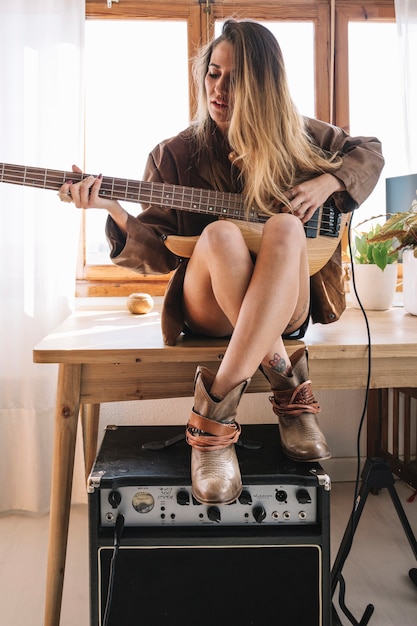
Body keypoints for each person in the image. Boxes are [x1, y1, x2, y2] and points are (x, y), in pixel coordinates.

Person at [59, 19, 384, 506]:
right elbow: (155, 258)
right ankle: (289, 393)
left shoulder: (304, 138)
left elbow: (370, 153)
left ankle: (211, 419)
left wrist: (329, 183)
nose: (219, 89)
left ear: (266, 84)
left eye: (236, 79)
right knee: (220, 236)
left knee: (285, 227)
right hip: (208, 310)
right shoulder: (174, 153)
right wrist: (111, 208)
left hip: (287, 306)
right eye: (213, 74)